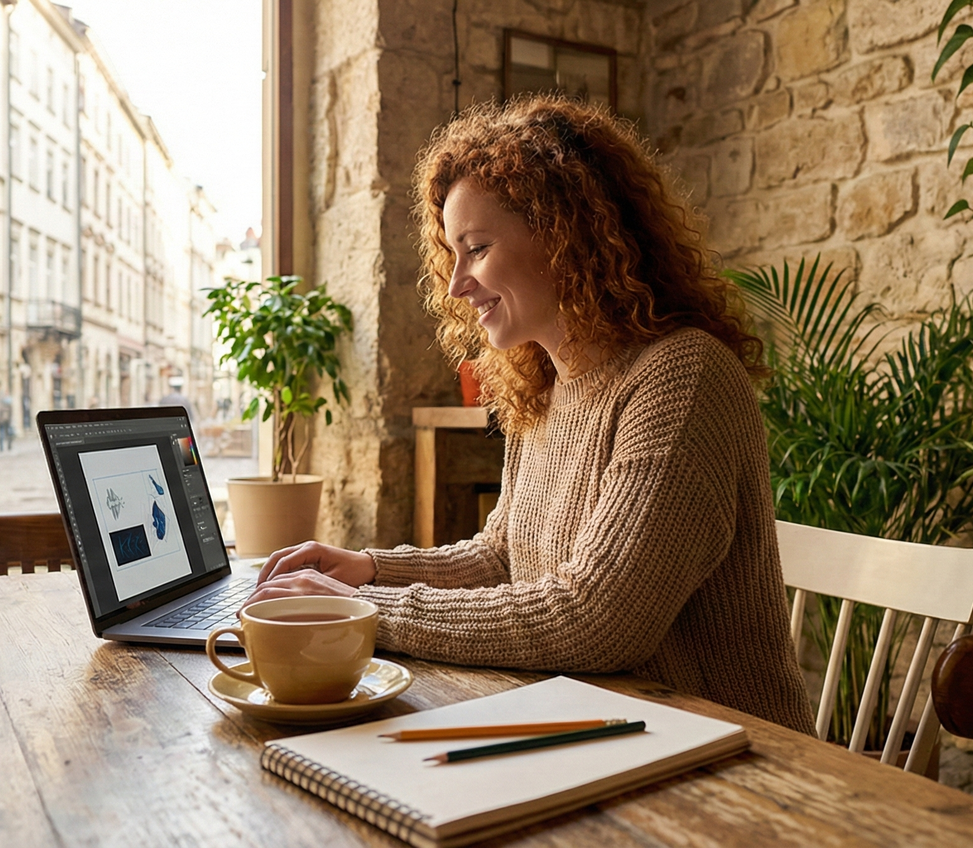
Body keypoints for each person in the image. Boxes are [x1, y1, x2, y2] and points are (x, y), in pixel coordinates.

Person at [246, 95, 815, 735]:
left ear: (565, 235)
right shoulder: (544, 386)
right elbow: (503, 556)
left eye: (478, 248)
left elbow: (598, 618)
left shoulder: (682, 376)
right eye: (453, 255)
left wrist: (364, 609)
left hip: (733, 755)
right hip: (605, 729)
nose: (458, 283)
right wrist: (372, 568)